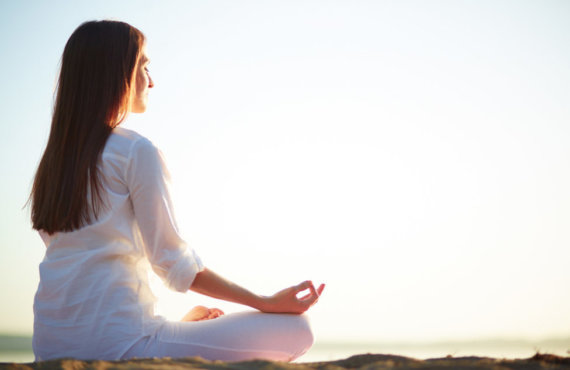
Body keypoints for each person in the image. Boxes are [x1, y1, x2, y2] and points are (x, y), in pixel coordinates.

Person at [30, 20, 324, 362]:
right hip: (122, 347)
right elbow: (174, 263)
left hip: (49, 348)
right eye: (144, 66)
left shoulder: (53, 165)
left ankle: (170, 337)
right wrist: (266, 301)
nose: (151, 80)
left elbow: (86, 272)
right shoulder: (135, 151)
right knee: (299, 330)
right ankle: (164, 341)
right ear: (115, 72)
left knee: (170, 329)